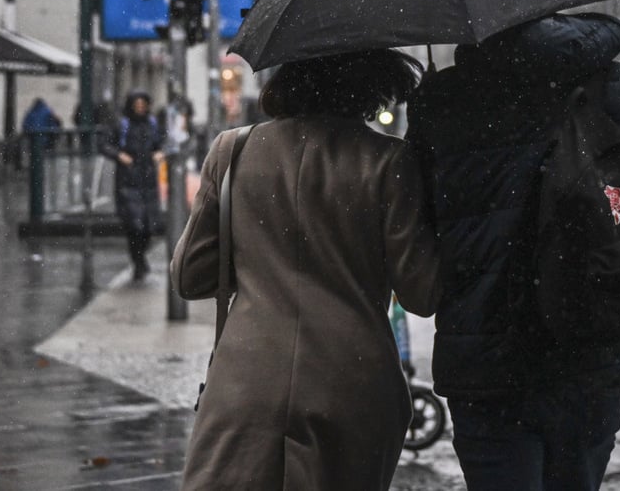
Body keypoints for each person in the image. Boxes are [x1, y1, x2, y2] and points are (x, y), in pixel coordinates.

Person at [405, 12, 620, 491]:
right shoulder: (601, 83)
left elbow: (414, 222)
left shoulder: (441, 103)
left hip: (485, 358)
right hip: (589, 340)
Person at [170, 49, 444, 491]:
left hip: (247, 383)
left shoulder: (233, 151)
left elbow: (191, 275)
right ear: (371, 87)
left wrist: (263, 254)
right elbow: (422, 292)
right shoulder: (389, 161)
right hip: (351, 383)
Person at [101, 91, 164, 281]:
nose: (140, 107)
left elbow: (163, 143)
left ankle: (140, 258)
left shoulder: (152, 124)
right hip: (127, 181)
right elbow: (104, 144)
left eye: (142, 104)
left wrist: (160, 153)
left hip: (148, 181)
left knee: (149, 227)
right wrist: (119, 155)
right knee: (134, 225)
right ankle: (138, 262)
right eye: (136, 104)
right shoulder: (122, 125)